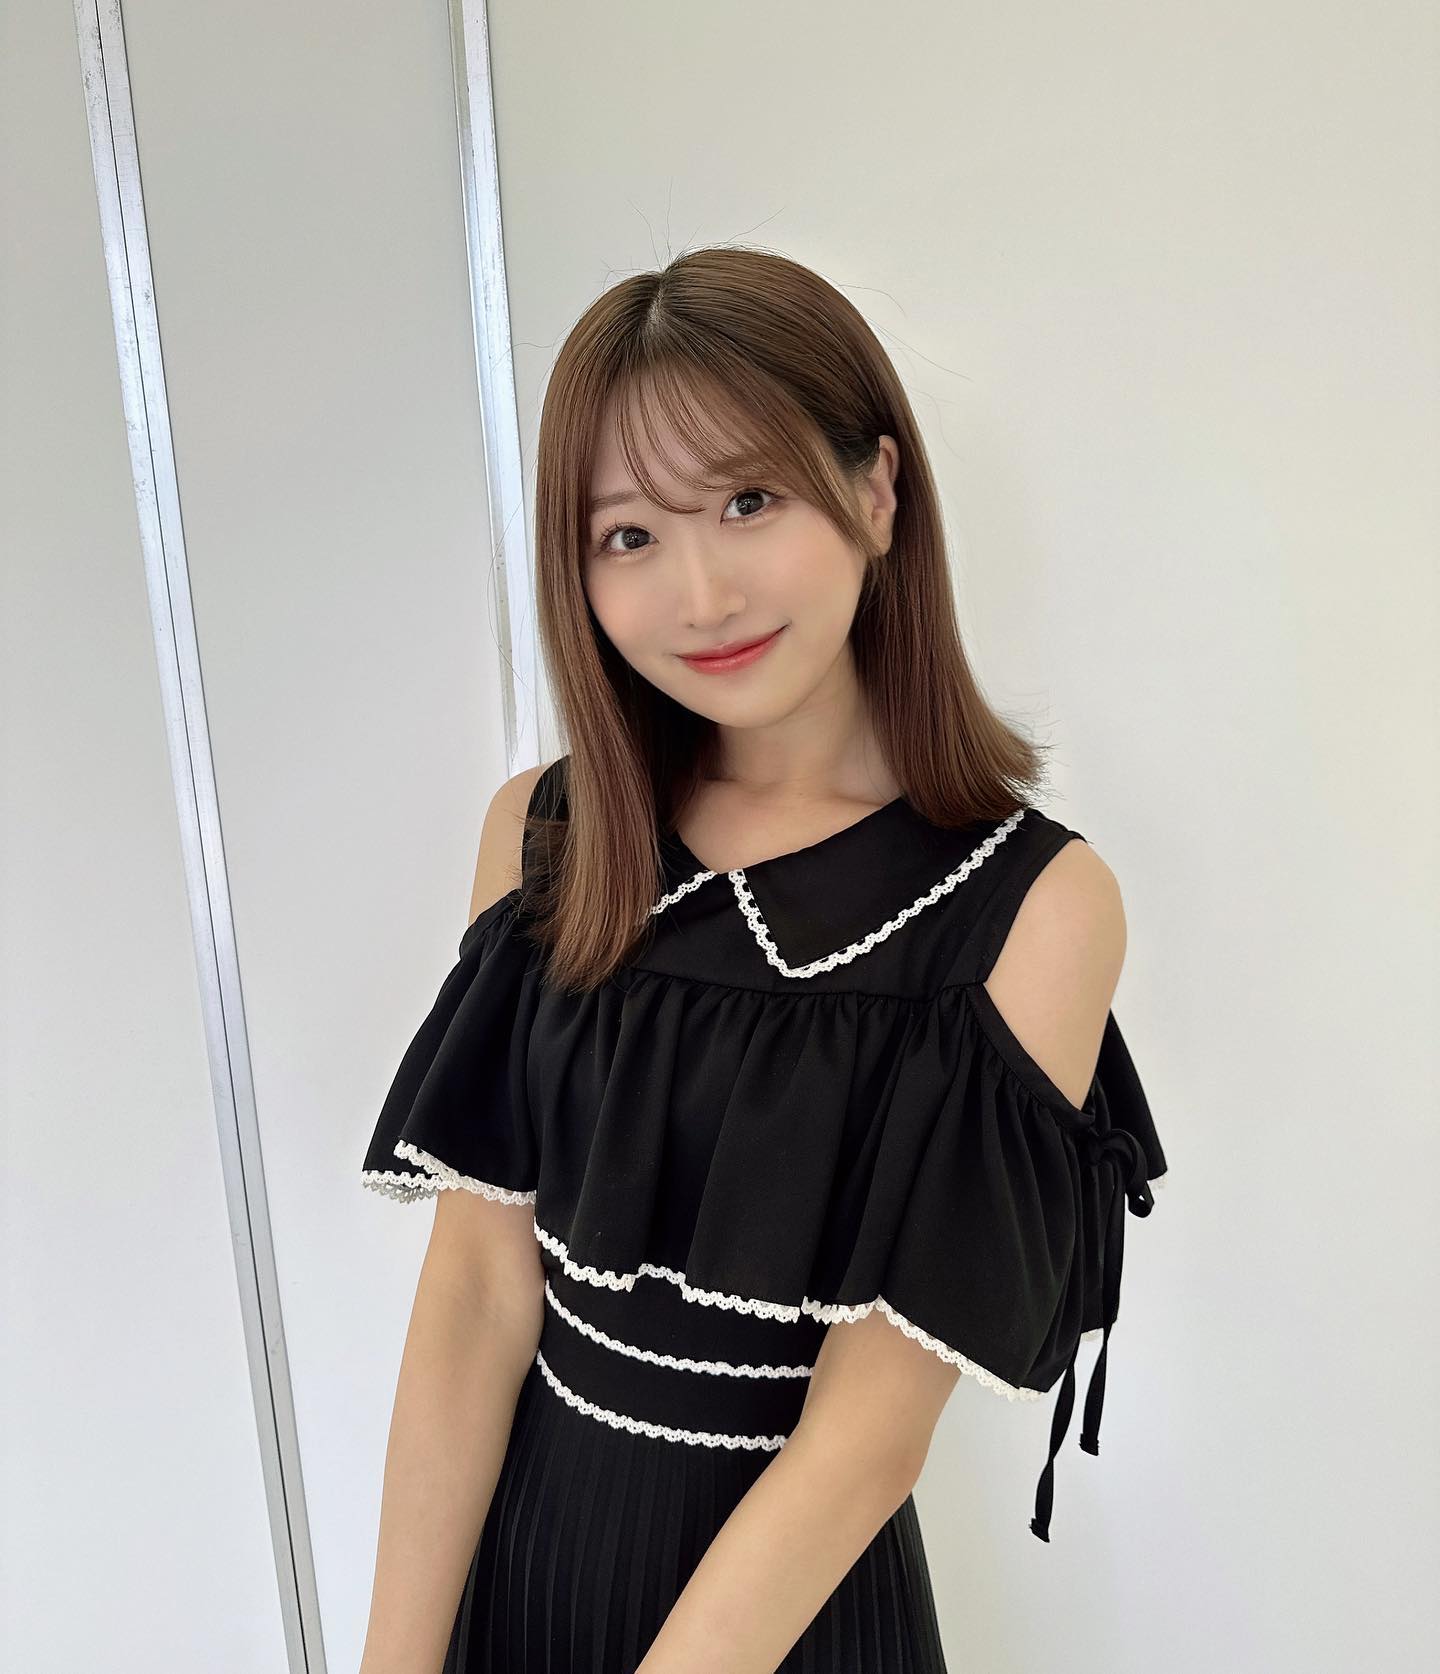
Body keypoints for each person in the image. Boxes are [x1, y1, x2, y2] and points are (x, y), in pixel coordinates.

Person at [358, 246, 1169, 1674]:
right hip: (523, 1571)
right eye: (629, 535)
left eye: (748, 501)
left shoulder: (1037, 906)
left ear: (876, 489)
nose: (702, 593)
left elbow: (868, 1435)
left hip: (794, 1621)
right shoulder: (545, 835)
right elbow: (480, 1291)